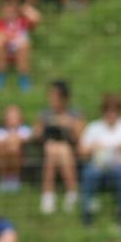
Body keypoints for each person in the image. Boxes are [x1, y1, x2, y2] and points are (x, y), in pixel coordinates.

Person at [78, 94, 121, 227]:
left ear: (119, 111)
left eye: (114, 111)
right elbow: (81, 151)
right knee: (89, 173)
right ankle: (88, 212)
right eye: (107, 111)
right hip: (98, 168)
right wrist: (94, 147)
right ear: (102, 111)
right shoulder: (94, 128)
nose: (111, 115)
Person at [35, 80, 84, 214]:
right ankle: (71, 192)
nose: (51, 98)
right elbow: (36, 135)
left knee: (60, 148)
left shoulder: (75, 114)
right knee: (53, 148)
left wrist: (69, 124)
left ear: (63, 97)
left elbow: (80, 137)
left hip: (70, 150)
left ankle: (48, 194)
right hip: (48, 149)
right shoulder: (44, 115)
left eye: (54, 95)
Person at [0, 0, 40, 92]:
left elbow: (36, 18)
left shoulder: (22, 22)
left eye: (11, 9)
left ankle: (24, 76)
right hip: (4, 52)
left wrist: (24, 8)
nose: (8, 12)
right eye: (5, 10)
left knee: (24, 43)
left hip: (20, 52)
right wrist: (10, 37)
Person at [0, 104, 34, 194]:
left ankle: (15, 178)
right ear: (4, 119)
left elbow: (25, 140)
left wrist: (12, 139)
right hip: (4, 157)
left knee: (14, 147)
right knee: (6, 148)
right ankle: (4, 178)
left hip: (21, 157)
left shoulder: (25, 130)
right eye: (10, 117)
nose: (12, 120)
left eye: (15, 117)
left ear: (21, 119)